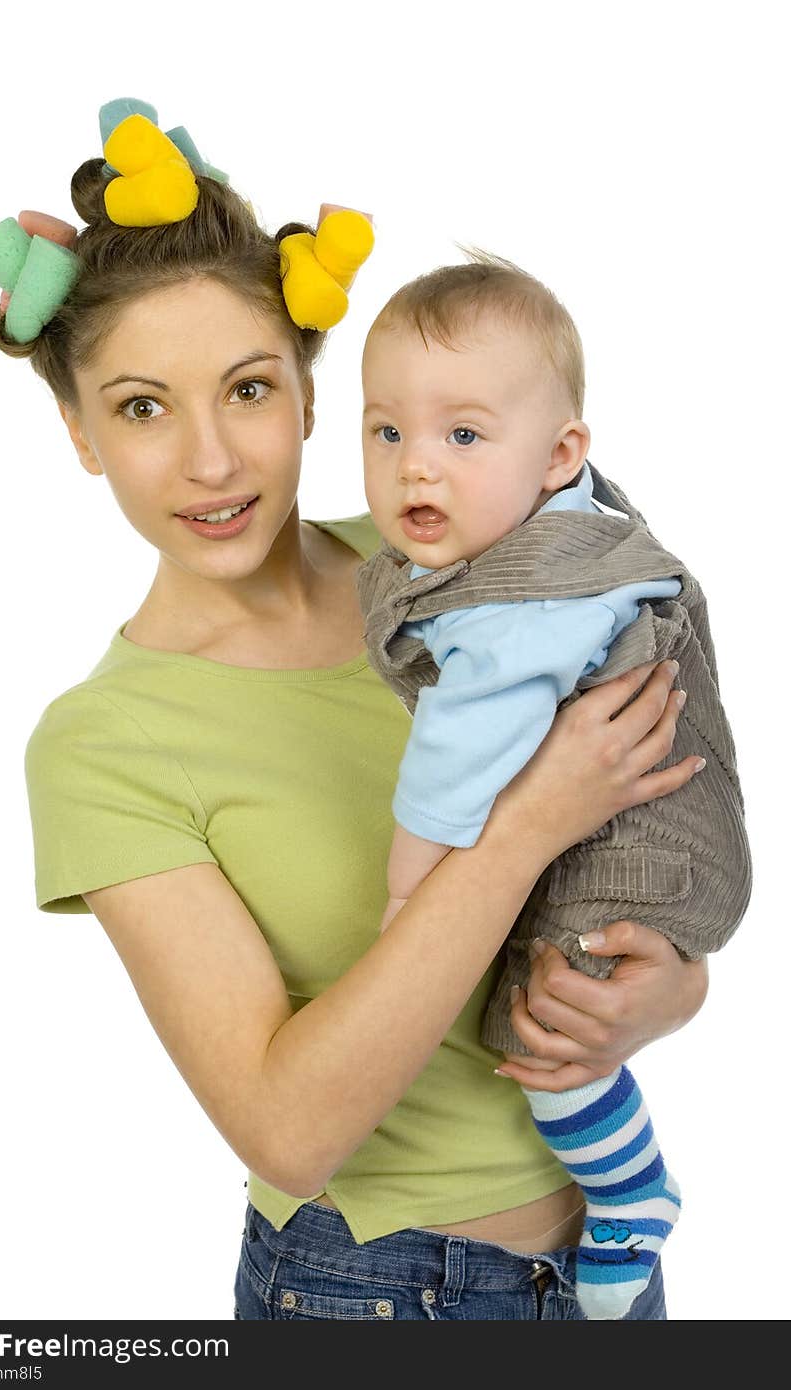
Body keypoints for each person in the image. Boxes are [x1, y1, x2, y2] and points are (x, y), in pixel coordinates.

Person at [0, 101, 708, 1321]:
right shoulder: (102, 746)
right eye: (144, 407)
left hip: (609, 1251)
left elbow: (655, 806)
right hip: (367, 1289)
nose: (211, 460)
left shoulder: (456, 575)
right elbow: (287, 1128)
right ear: (80, 432)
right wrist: (523, 824)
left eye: (247, 389)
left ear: (312, 395)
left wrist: (667, 988)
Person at [355, 254, 751, 1317]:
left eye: (462, 436)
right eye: (385, 431)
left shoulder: (516, 609)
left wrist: (408, 901)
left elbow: (452, 765)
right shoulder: (547, 519)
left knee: (548, 1029)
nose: (414, 471)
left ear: (558, 454)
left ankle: (629, 1192)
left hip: (644, 846)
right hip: (648, 816)